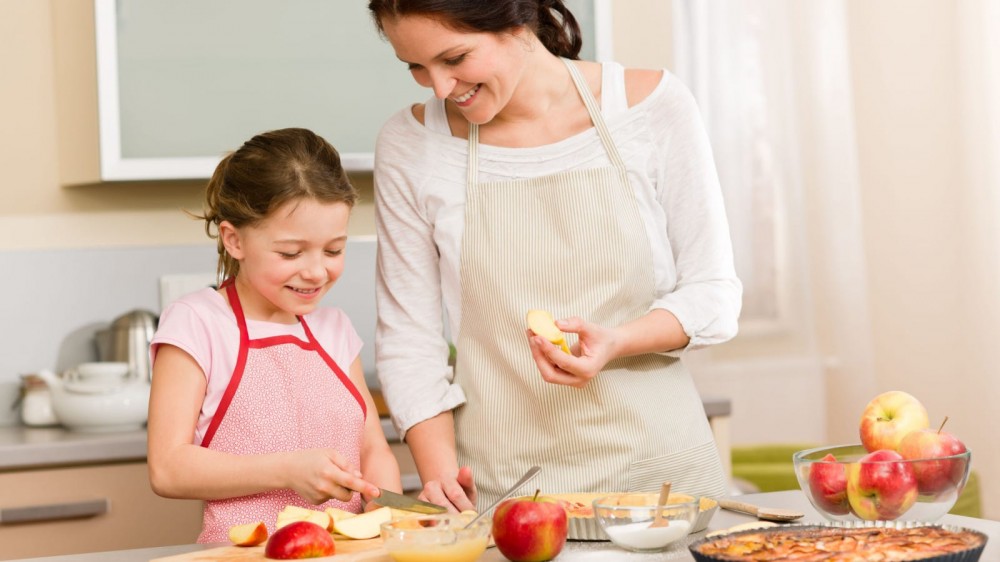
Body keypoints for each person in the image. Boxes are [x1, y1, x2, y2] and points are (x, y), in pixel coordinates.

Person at [367, 1, 742, 512]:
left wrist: (617, 341)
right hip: (506, 490)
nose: (439, 88)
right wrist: (445, 488)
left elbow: (714, 295)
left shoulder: (651, 107)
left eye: (454, 58)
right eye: (416, 67)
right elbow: (409, 342)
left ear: (518, 24)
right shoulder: (411, 144)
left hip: (660, 487)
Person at [146, 128, 400, 542]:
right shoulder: (198, 324)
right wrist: (286, 471)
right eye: (291, 253)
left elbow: (372, 448)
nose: (317, 271)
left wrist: (383, 504)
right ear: (235, 240)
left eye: (333, 250)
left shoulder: (333, 328)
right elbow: (168, 468)